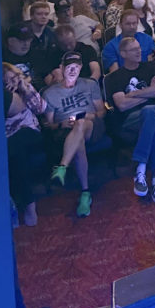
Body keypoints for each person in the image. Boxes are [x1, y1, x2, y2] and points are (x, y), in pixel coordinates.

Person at [43, 52, 106, 218]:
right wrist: (61, 124)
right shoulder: (50, 93)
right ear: (62, 68)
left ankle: (62, 167)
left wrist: (88, 116)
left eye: (76, 67)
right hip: (65, 130)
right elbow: (49, 125)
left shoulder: (89, 84)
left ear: (81, 69)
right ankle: (85, 193)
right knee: (78, 143)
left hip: (91, 125)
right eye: (69, 67)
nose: (73, 70)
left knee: (80, 123)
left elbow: (102, 112)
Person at [104, 37, 155, 199]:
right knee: (153, 114)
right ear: (123, 53)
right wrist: (149, 92)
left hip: (152, 114)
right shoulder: (114, 77)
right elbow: (122, 105)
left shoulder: (151, 67)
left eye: (139, 48)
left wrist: (133, 95)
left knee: (153, 115)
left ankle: (141, 167)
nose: (139, 51)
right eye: (134, 49)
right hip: (129, 121)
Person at [3, 63, 47, 226]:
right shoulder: (3, 97)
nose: (14, 81)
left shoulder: (25, 88)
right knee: (15, 154)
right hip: (9, 138)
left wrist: (24, 87)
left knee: (14, 146)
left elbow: (41, 108)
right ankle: (27, 204)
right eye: (10, 80)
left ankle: (26, 205)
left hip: (30, 131)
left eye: (15, 77)